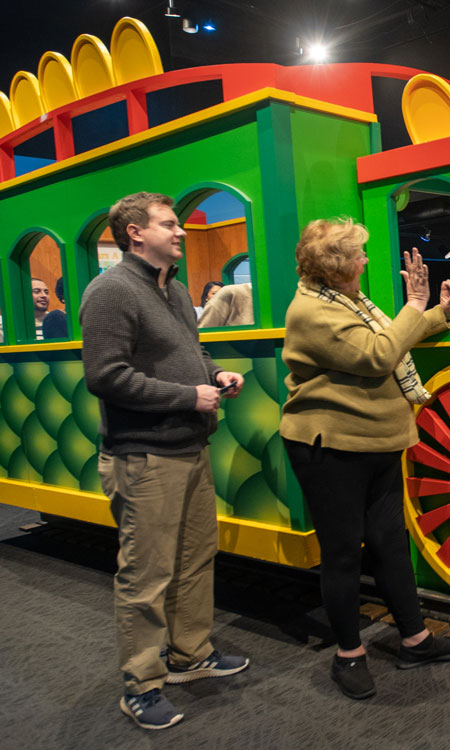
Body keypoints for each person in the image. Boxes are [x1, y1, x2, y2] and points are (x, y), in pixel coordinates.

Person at [279, 217, 450, 700]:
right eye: (358, 253)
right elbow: (378, 354)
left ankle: (415, 640)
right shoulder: (310, 311)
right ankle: (349, 655)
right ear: (337, 266)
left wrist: (436, 314)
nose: (365, 259)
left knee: (389, 543)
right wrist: (414, 306)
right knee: (343, 554)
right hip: (330, 448)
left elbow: (387, 338)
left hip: (376, 441)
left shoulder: (346, 300)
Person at [80, 192, 249, 731]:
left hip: (189, 446)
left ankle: (190, 655)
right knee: (146, 575)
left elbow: (190, 354)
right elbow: (105, 376)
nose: (181, 232)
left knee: (196, 558)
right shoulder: (110, 290)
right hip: (144, 456)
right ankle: (141, 684)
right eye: (170, 224)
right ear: (135, 232)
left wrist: (216, 373)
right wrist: (186, 396)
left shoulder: (173, 291)